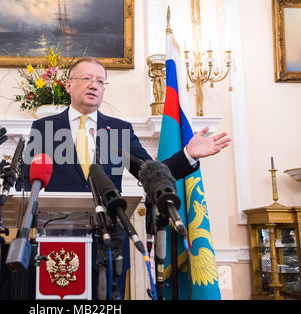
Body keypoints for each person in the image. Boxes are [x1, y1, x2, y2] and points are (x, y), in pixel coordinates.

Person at [17, 57, 232, 299]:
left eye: (100, 81)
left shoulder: (120, 130)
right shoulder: (43, 127)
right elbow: (25, 183)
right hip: (55, 238)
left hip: (109, 241)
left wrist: (188, 154)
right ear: (68, 85)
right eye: (86, 78)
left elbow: (151, 173)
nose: (94, 85)